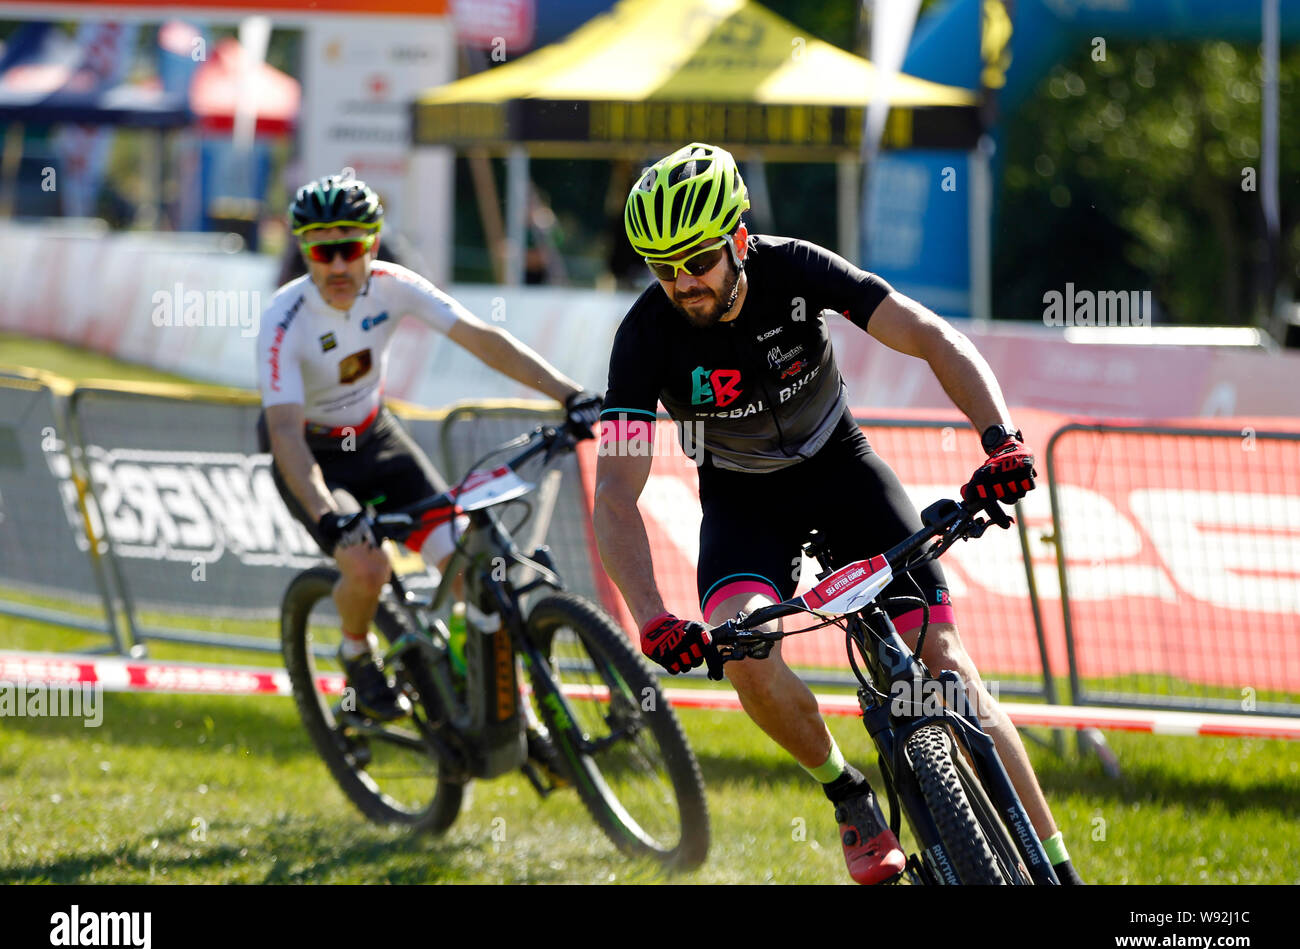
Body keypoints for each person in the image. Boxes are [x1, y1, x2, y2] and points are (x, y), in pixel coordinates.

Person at [593, 143, 1084, 885]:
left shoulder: (795, 267)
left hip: (843, 470)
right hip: (743, 498)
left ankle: (1060, 868)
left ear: (736, 239)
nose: (682, 282)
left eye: (696, 259)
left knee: (946, 665)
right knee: (747, 657)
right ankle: (849, 794)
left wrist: (1001, 440)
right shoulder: (643, 337)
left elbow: (926, 334)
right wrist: (652, 613)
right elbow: (616, 493)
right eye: (662, 268)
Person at [256, 173, 601, 726]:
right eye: (323, 251)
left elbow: (480, 337)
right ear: (304, 251)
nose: (339, 266)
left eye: (352, 248)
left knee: (470, 568)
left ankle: (481, 689)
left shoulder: (393, 284)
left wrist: (570, 394)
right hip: (314, 456)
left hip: (376, 438)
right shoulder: (283, 318)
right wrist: (328, 519)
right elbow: (285, 434)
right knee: (367, 565)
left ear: (372, 244)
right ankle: (356, 654)